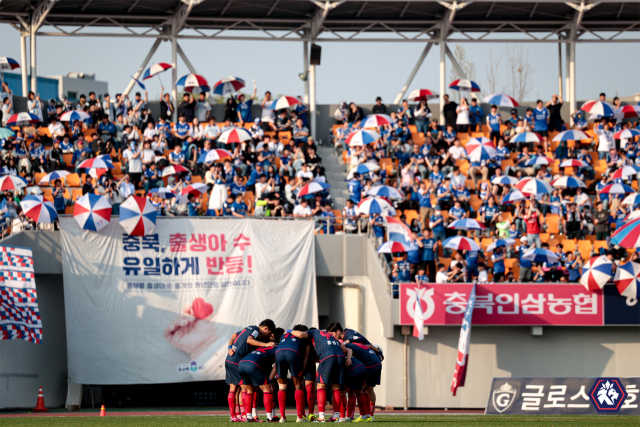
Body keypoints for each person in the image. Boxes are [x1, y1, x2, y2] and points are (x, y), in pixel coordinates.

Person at [289, 328, 346, 423]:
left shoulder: (314, 332)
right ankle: (336, 417)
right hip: (340, 358)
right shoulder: (329, 335)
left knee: (321, 386)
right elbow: (344, 349)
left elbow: (300, 335)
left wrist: (289, 330)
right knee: (336, 388)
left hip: (328, 357)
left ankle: (321, 417)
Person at [224, 320, 277, 422]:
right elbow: (249, 340)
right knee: (245, 388)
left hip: (229, 359)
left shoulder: (248, 328)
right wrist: (266, 345)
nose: (269, 335)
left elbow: (232, 337)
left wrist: (230, 348)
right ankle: (245, 416)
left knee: (233, 389)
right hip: (237, 361)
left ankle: (234, 416)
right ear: (265, 328)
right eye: (269, 333)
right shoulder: (256, 330)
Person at [275, 325, 310, 423]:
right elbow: (307, 354)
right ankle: (299, 417)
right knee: (298, 385)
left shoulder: (284, 335)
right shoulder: (304, 336)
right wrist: (302, 372)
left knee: (282, 386)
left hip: (278, 353)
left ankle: (282, 417)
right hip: (293, 353)